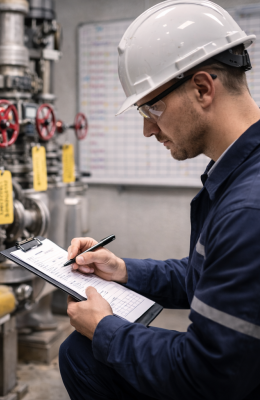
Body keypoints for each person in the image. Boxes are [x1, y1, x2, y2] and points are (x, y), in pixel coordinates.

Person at [59, 1, 260, 399]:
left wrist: (106, 329)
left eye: (153, 107)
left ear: (202, 88)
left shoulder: (247, 210)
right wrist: (123, 272)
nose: (149, 129)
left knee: (84, 354)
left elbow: (207, 374)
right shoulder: (239, 175)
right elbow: (209, 277)